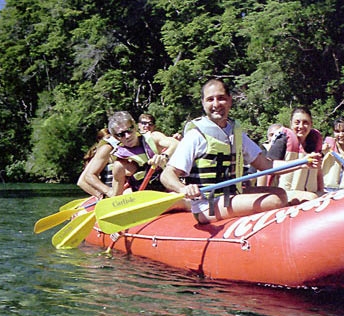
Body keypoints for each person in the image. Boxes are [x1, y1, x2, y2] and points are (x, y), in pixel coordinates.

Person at [160, 78, 319, 224]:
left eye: (221, 98)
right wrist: (183, 189)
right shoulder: (195, 136)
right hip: (207, 203)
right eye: (210, 99)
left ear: (229, 100)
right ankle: (186, 205)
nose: (216, 104)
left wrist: (303, 163)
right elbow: (167, 175)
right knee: (274, 201)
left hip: (231, 195)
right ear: (203, 103)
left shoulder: (236, 134)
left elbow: (266, 165)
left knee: (280, 193)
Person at [108, 111, 179, 197]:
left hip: (170, 189)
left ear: (135, 126)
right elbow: (116, 197)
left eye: (129, 130)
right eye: (121, 134)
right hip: (144, 197)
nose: (127, 136)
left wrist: (164, 156)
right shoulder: (120, 165)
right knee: (127, 193)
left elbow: (175, 143)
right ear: (116, 137)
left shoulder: (154, 137)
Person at [267, 107, 324, 199]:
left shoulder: (315, 144)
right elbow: (266, 167)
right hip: (286, 194)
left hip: (310, 193)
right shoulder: (282, 141)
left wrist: (321, 190)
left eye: (305, 123)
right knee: (313, 197)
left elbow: (318, 172)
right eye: (297, 123)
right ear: (291, 124)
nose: (301, 126)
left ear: (311, 124)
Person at [77, 128, 120, 199]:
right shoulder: (98, 155)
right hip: (110, 193)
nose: (111, 141)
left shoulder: (119, 151)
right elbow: (81, 182)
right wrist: (100, 195)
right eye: (107, 138)